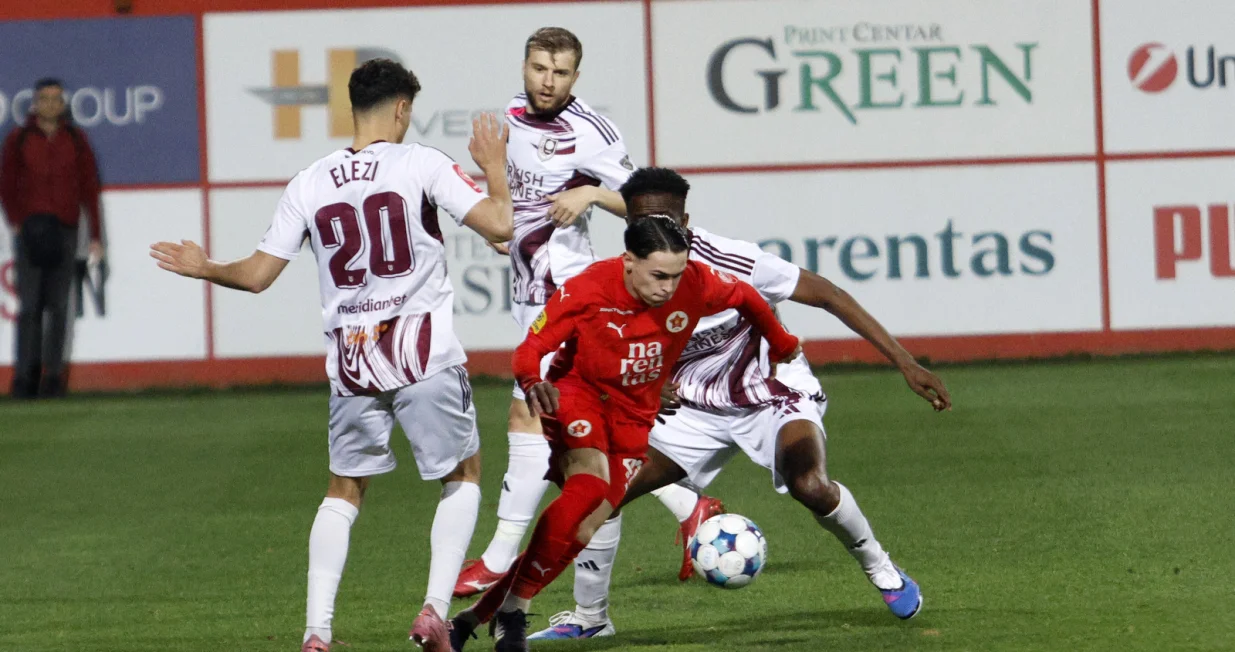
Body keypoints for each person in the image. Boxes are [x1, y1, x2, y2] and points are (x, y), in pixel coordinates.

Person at [149, 59, 513, 652]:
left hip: (352, 363)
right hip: (422, 355)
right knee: (464, 475)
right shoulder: (420, 162)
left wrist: (207, 266)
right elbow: (500, 221)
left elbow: (259, 275)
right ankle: (434, 612)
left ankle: (317, 633)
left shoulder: (310, 181)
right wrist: (495, 171)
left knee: (343, 490)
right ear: (401, 108)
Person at [528, 167, 953, 640]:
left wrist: (905, 362)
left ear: (686, 219)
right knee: (601, 495)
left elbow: (828, 294)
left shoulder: (732, 261)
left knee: (810, 485)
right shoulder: (623, 279)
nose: (658, 229)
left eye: (667, 218)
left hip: (768, 393)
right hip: (692, 409)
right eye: (642, 220)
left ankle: (881, 568)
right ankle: (591, 619)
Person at [449, 217, 801, 652]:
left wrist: (781, 341)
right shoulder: (588, 289)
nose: (669, 287)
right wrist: (529, 380)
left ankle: (477, 616)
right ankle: (514, 612)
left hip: (634, 415)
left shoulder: (694, 282)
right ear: (628, 261)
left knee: (586, 525)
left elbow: (748, 295)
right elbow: (530, 349)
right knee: (589, 489)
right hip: (577, 395)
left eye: (676, 274)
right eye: (659, 276)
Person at [456, 26, 719, 598]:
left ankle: (499, 557)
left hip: (572, 291)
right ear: (524, 66)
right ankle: (691, 504)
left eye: (560, 72)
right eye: (539, 68)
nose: (547, 81)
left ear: (577, 76)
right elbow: (524, 203)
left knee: (528, 412)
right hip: (529, 288)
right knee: (573, 439)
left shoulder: (592, 131)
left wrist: (594, 194)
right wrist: (506, 235)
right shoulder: (511, 117)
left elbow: (654, 206)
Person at [1, 78, 105, 398]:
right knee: (30, 306)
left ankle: (54, 378)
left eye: (55, 99)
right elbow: (5, 183)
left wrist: (96, 236)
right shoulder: (19, 140)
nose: (50, 104)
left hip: (65, 230)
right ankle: (24, 377)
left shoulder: (76, 139)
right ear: (34, 103)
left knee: (59, 307)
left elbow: (89, 188)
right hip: (31, 231)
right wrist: (17, 221)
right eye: (44, 99)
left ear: (63, 104)